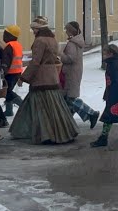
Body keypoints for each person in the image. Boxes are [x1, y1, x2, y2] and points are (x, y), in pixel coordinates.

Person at [10, 16, 79, 145]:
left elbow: (36, 62)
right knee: (54, 106)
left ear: (39, 29)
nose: (33, 32)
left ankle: (45, 134)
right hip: (52, 76)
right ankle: (63, 131)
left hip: (41, 78)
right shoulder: (52, 39)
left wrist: (24, 77)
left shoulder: (39, 41)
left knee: (43, 108)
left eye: (34, 29)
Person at [59, 22, 99, 129]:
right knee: (68, 99)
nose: (65, 32)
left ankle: (91, 113)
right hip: (74, 72)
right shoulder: (77, 42)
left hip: (70, 73)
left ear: (70, 31)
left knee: (71, 98)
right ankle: (67, 123)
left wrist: (60, 55)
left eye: (66, 30)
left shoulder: (72, 44)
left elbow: (70, 58)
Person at [0, 25, 25, 116]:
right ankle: (9, 110)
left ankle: (23, 106)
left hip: (10, 73)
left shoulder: (9, 46)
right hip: (17, 72)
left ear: (11, 35)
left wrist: (2, 73)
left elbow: (6, 61)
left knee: (8, 92)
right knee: (8, 91)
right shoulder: (18, 45)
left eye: (5, 34)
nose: (3, 36)